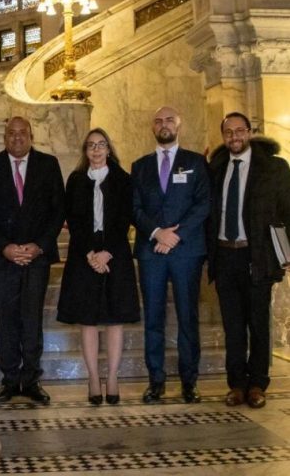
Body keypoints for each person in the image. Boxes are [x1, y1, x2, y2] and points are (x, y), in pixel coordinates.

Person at [207, 112, 290, 408]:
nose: (234, 136)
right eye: (228, 132)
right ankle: (236, 385)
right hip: (225, 254)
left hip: (257, 255)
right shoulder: (216, 168)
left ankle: (257, 384)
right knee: (232, 325)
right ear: (223, 136)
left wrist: (285, 254)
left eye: (239, 130)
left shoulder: (274, 168)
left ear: (249, 132)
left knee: (258, 323)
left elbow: (287, 212)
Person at [131, 106, 210, 404]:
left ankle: (189, 381)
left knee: (188, 316)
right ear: (153, 127)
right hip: (152, 251)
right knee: (153, 317)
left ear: (179, 125)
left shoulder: (195, 162)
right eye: (158, 121)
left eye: (169, 120)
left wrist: (175, 235)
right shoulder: (140, 166)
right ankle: (156, 381)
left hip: (185, 252)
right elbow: (134, 208)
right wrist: (157, 233)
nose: (164, 125)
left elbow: (203, 204)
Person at [57, 128, 140, 405]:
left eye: (101, 144)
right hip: (84, 255)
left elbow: (124, 218)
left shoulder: (123, 180)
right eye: (91, 145)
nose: (96, 150)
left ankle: (113, 377)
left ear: (108, 148)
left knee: (115, 319)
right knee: (88, 320)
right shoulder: (76, 180)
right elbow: (73, 220)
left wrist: (107, 253)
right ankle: (93, 377)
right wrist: (91, 254)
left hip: (115, 253)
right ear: (85, 150)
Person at [0, 117, 64, 404]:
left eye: (22, 133)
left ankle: (31, 380)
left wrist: (40, 246)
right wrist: (4, 247)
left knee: (32, 320)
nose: (17, 137)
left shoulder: (48, 164)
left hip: (36, 258)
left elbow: (58, 210)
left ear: (31, 135)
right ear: (4, 137)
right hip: (2, 259)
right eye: (11, 133)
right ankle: (9, 379)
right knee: (6, 321)